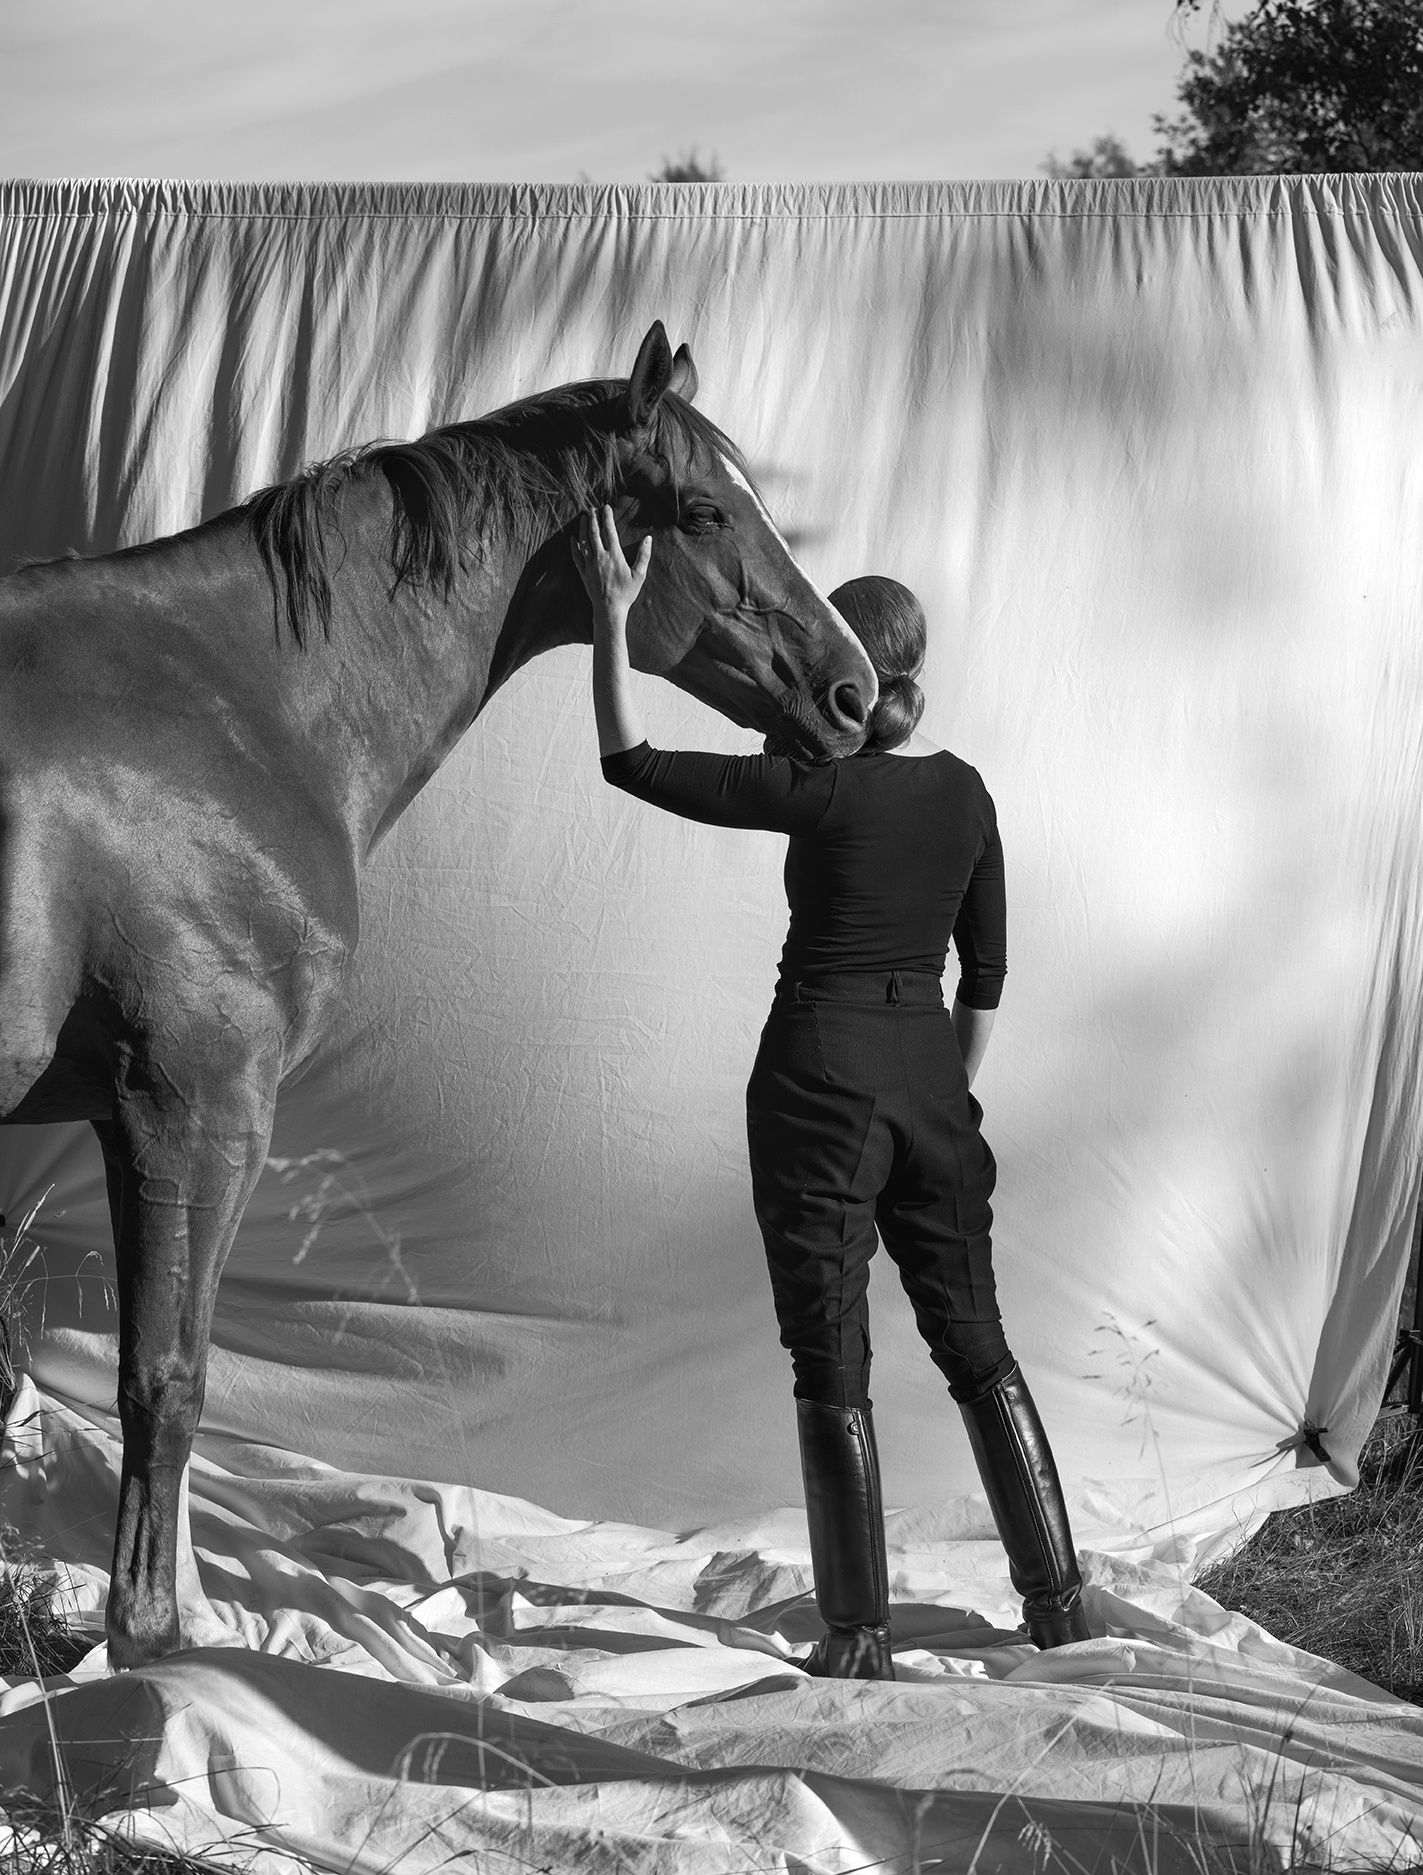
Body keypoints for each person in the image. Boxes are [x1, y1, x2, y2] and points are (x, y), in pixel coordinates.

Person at [574, 504, 1091, 1679]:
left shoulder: (816, 783)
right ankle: (1059, 1609)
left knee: (832, 1359)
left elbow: (631, 764)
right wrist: (933, 1094)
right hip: (928, 1086)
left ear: (844, 669)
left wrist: (611, 620)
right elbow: (986, 975)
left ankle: (860, 1642)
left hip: (815, 1079)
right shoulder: (966, 793)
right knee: (978, 1347)